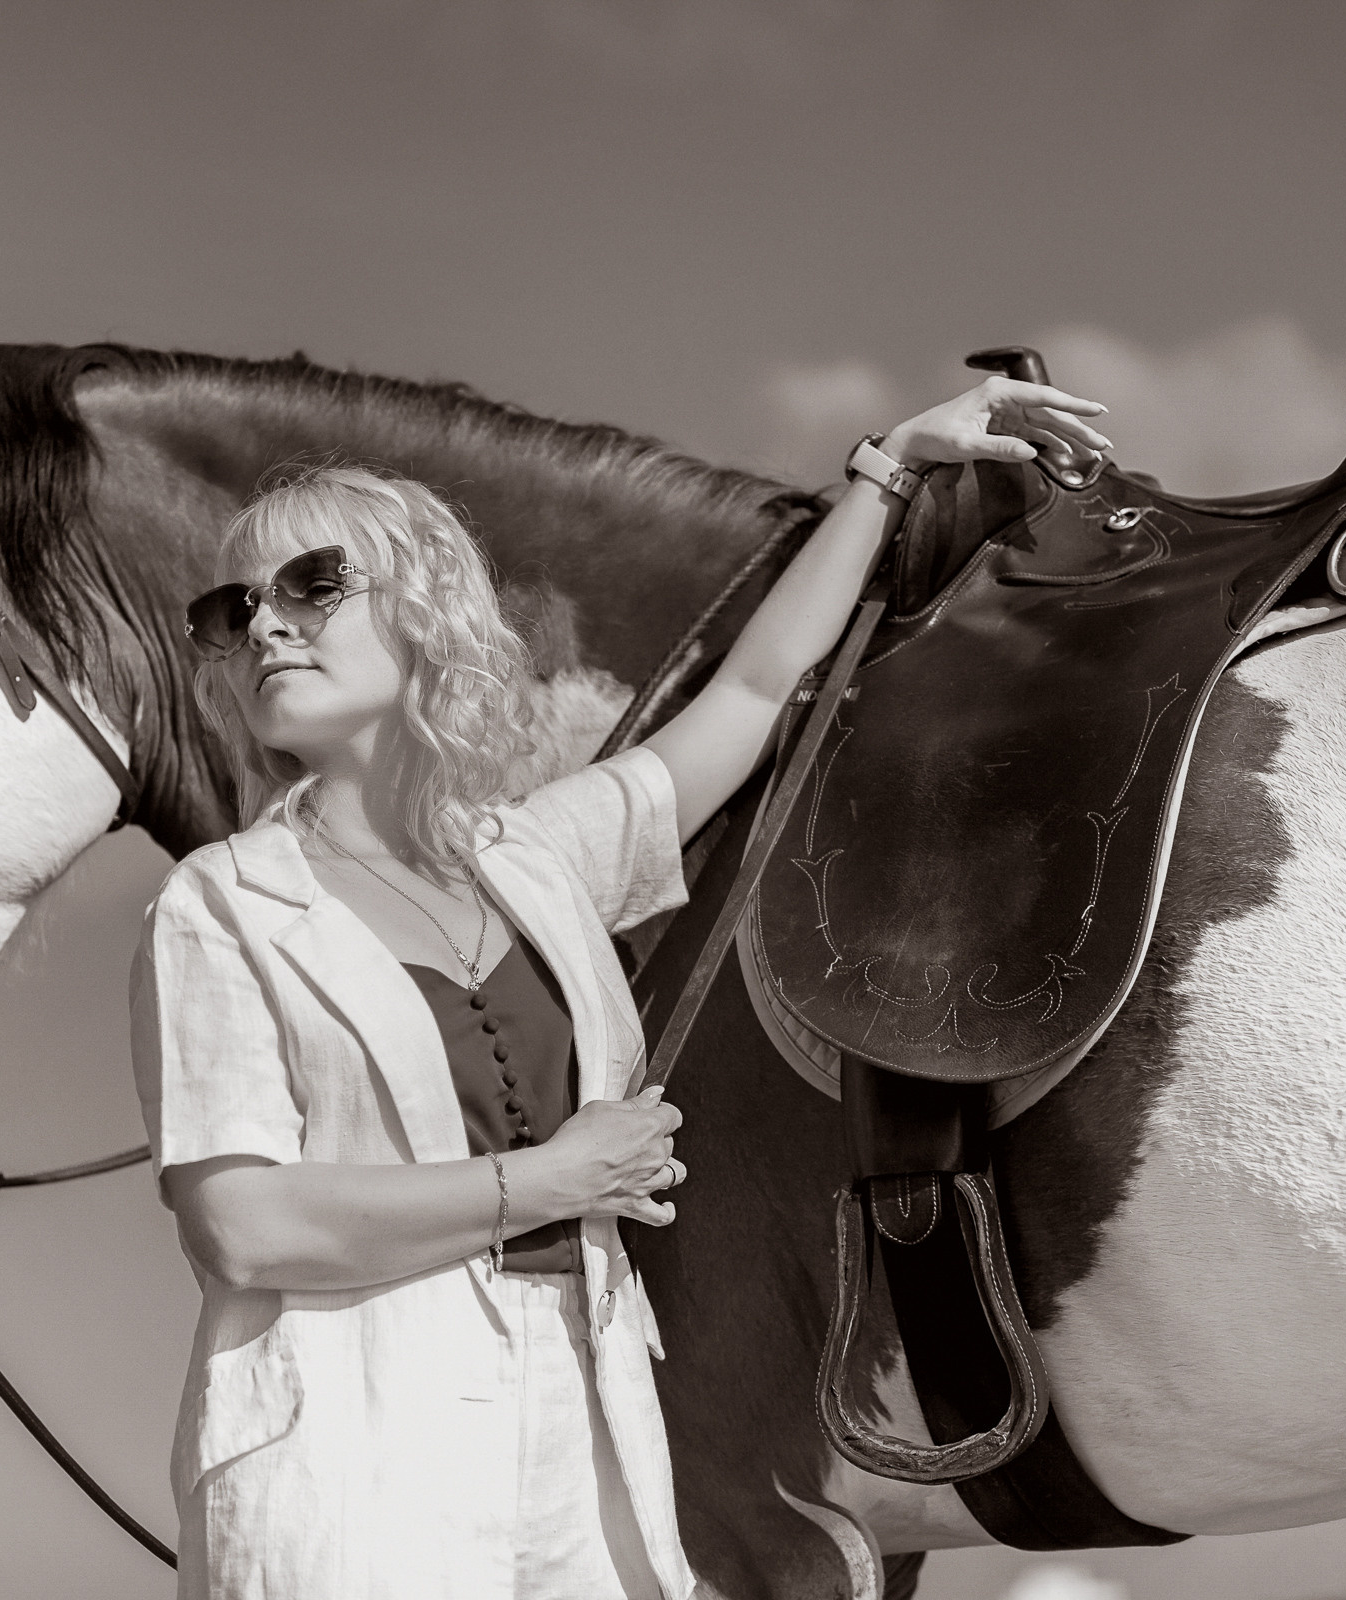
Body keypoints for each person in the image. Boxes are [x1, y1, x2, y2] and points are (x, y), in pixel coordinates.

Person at [130, 378, 1109, 1600]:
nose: (267, 625)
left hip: (585, 1429)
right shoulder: (219, 904)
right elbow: (242, 1226)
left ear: (424, 606)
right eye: (237, 608)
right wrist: (547, 1180)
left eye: (309, 585)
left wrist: (889, 471)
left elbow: (753, 694)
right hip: (348, 1445)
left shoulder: (537, 856)